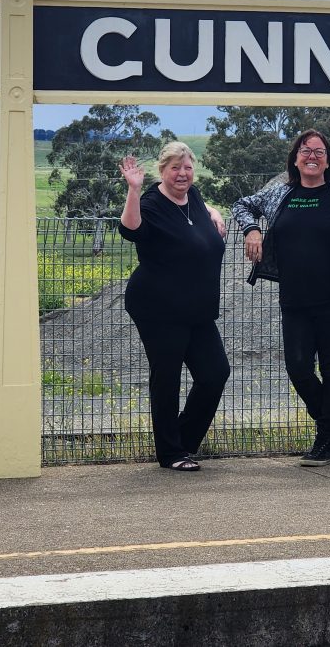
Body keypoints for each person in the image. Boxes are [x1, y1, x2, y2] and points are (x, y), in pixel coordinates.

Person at [232, 129, 330, 467]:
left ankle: (326, 440)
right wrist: (252, 229)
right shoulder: (279, 195)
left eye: (319, 151)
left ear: (328, 160)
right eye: (305, 151)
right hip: (296, 300)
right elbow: (241, 205)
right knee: (299, 368)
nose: (312, 156)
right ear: (295, 159)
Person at [118, 142, 229, 471]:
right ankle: (171, 453)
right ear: (162, 171)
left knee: (215, 373)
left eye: (187, 168)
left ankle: (181, 441)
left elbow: (198, 215)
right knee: (167, 377)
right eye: (175, 168)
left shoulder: (192, 196)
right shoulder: (151, 203)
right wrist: (134, 191)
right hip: (158, 307)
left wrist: (214, 212)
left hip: (196, 308)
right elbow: (130, 229)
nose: (182, 174)